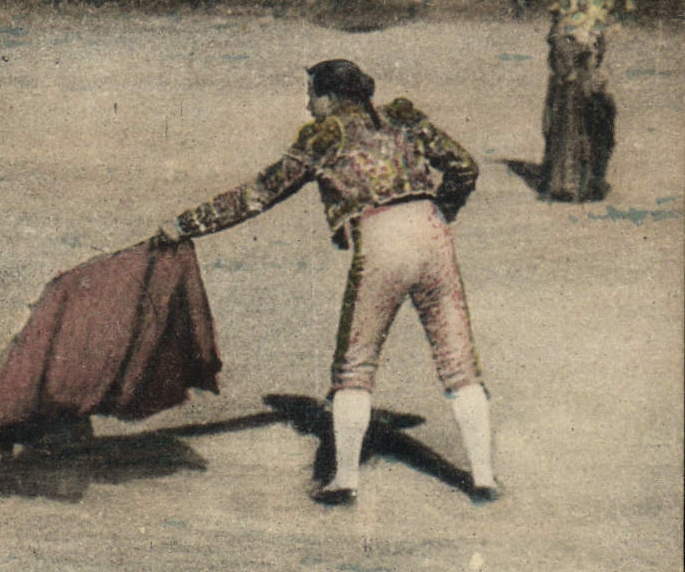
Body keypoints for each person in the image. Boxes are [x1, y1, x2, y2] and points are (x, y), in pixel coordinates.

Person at [154, 60, 498, 506]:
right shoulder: (403, 119)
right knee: (457, 361)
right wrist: (443, 211)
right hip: (433, 232)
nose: (307, 104)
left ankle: (344, 481)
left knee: (355, 365)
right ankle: (484, 478)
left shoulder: (323, 137)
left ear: (331, 98)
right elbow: (464, 166)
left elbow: (257, 195)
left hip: (380, 238)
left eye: (312, 94)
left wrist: (186, 225)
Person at [539, 0, 620, 202]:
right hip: (564, 37)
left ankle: (577, 183)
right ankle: (566, 180)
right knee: (563, 108)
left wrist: (588, 33)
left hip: (579, 38)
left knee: (579, 109)